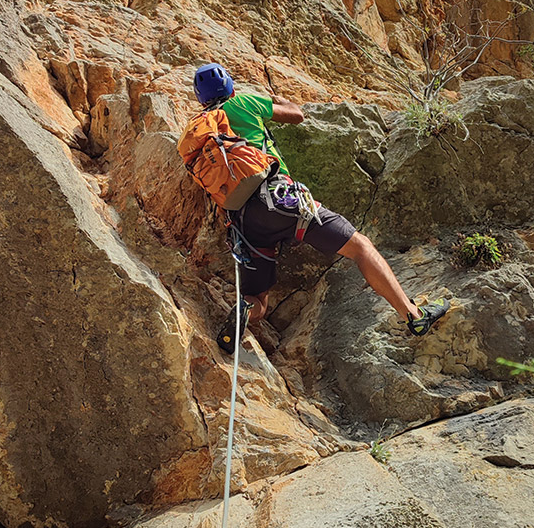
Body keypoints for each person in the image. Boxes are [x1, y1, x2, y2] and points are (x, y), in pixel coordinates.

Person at [192, 63, 450, 354]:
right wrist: (278, 100)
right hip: (281, 199)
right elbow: (297, 115)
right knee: (361, 247)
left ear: (201, 99)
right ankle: (414, 316)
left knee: (258, 300)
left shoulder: (200, 129)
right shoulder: (244, 102)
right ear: (230, 87)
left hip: (245, 223)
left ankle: (245, 311)